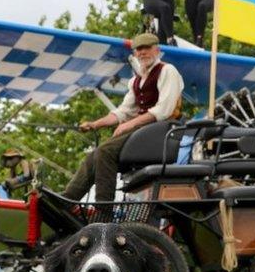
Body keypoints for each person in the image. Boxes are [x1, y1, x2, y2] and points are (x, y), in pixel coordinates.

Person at [62, 32, 183, 203]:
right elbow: (123, 111)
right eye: (138, 49)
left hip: (161, 130)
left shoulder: (167, 70)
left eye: (146, 48)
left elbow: (163, 110)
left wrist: (129, 124)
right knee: (94, 155)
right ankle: (67, 201)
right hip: (145, 130)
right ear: (134, 54)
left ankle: (103, 209)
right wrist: (95, 124)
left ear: (157, 50)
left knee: (105, 151)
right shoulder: (136, 80)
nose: (142, 53)